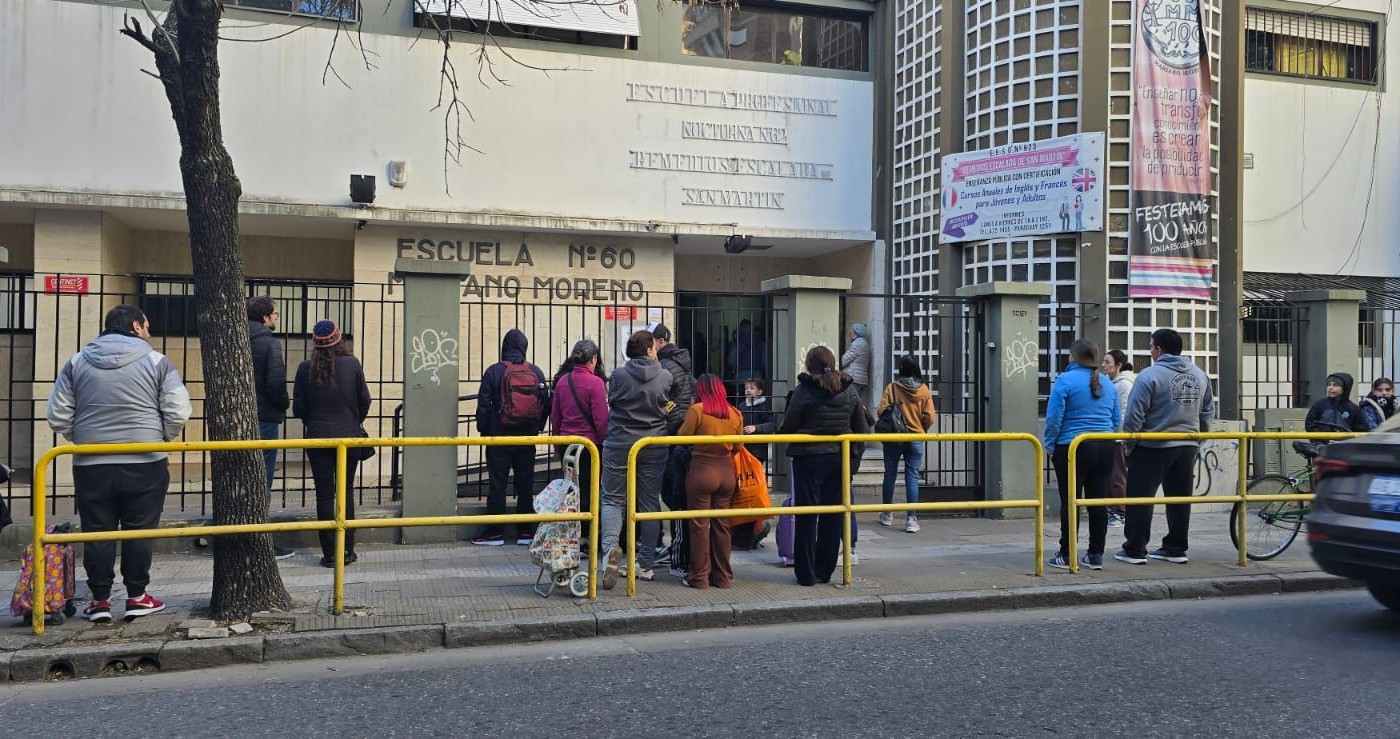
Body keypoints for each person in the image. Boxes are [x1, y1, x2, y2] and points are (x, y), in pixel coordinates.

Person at [47, 304, 193, 621]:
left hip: (91, 463)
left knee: (97, 531)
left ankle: (99, 600)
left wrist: (83, 437)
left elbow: (57, 414)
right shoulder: (157, 361)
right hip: (145, 460)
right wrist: (162, 437)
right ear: (137, 327)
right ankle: (137, 596)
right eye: (147, 327)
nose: (150, 333)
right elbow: (178, 410)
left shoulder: (76, 361)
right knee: (139, 530)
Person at [773, 345, 871, 586]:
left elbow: (789, 426)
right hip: (839, 459)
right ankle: (824, 571)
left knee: (807, 516)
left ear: (809, 365)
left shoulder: (803, 391)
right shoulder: (850, 392)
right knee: (833, 516)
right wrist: (853, 462)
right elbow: (862, 429)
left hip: (808, 459)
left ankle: (806, 574)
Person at [1115, 329, 1215, 566]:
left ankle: (1135, 548)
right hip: (1187, 445)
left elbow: (1134, 414)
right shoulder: (1200, 375)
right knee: (1179, 499)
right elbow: (1208, 411)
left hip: (1153, 445)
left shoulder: (1150, 375)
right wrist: (1198, 438)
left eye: (1151, 347)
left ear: (1158, 349)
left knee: (1140, 497)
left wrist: (1130, 442)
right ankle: (1176, 547)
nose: (1150, 351)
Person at [597, 330, 673, 589]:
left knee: (612, 498)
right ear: (651, 349)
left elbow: (613, 401)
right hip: (652, 444)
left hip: (619, 442)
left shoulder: (618, 376)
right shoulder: (665, 376)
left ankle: (609, 552)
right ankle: (646, 563)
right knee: (649, 502)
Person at [293, 320, 372, 569]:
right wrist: (352, 419)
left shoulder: (305, 368)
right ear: (339, 340)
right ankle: (347, 550)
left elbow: (299, 409)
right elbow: (365, 400)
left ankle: (329, 554)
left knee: (324, 494)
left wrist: (315, 422)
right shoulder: (352, 364)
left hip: (318, 436)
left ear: (315, 344)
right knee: (345, 491)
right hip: (348, 436)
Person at [1044, 340, 1120, 570]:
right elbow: (1116, 420)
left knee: (1071, 502)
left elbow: (1054, 418)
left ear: (1073, 357)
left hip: (1073, 446)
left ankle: (1067, 554)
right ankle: (1096, 554)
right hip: (1105, 446)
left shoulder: (1065, 381)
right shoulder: (1108, 383)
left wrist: (1050, 445)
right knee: (1098, 502)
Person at [472, 329, 549, 547]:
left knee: (498, 484)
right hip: (526, 439)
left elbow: (483, 407)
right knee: (526, 484)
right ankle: (525, 532)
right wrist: (536, 429)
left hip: (499, 439)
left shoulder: (494, 372)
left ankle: (495, 532)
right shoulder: (536, 372)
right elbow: (545, 404)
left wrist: (485, 431)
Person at [676, 374, 743, 589]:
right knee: (722, 526)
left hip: (701, 470)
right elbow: (739, 447)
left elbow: (682, 436)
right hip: (726, 472)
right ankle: (723, 577)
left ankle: (700, 577)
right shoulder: (735, 413)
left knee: (699, 526)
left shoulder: (697, 410)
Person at [247, 296, 296, 560]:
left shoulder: (235, 339)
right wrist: (284, 405)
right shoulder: (268, 342)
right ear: (265, 317)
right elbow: (275, 384)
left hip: (238, 418)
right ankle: (261, 540)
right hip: (265, 416)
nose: (276, 318)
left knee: (240, 476)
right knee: (262, 478)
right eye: (275, 314)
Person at [650, 323, 695, 565]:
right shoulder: (681, 363)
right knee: (678, 492)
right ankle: (681, 547)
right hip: (684, 433)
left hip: (669, 435)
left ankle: (675, 550)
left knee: (671, 493)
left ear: (659, 342)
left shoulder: (665, 366)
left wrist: (662, 421)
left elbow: (665, 401)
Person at [876, 355, 937, 534]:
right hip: (915, 438)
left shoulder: (892, 388)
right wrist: (920, 427)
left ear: (900, 370)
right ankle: (911, 518)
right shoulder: (924, 390)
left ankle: (887, 514)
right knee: (912, 476)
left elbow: (881, 411)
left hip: (894, 438)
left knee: (890, 475)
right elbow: (930, 417)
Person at [550, 339, 609, 518]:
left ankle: (573, 530)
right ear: (593, 359)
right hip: (589, 447)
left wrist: (557, 446)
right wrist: (604, 444)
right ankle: (587, 533)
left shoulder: (562, 382)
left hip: (567, 444)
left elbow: (556, 418)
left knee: (571, 489)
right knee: (589, 489)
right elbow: (601, 420)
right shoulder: (596, 383)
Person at [733, 377, 775, 550]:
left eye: (751, 388)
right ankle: (741, 532)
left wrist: (756, 428)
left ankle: (753, 529)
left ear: (760, 391)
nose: (748, 390)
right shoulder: (742, 407)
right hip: (742, 453)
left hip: (757, 454)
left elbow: (773, 424)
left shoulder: (763, 407)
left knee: (753, 489)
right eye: (746, 387)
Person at [1101, 349, 1136, 528]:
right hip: (1113, 437)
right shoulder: (1113, 382)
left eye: (1107, 362)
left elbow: (1124, 413)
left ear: (1118, 365)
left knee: (1117, 476)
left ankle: (1119, 512)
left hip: (1119, 438)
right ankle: (1113, 510)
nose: (1103, 365)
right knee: (1112, 475)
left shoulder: (1124, 384)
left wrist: (1117, 434)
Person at [1305, 372, 1369, 434]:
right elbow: (1310, 425)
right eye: (1329, 384)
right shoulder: (1319, 404)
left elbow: (1360, 430)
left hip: (1344, 444)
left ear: (1344, 388)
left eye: (1335, 385)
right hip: (1321, 444)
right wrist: (1324, 437)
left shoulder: (1354, 409)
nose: (1331, 388)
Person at [841, 323, 872, 401]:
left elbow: (844, 360)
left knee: (849, 402)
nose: (850, 334)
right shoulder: (864, 344)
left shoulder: (857, 344)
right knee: (856, 403)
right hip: (861, 379)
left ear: (855, 333)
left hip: (854, 378)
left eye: (851, 332)